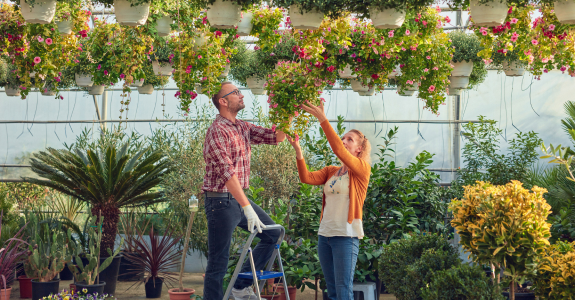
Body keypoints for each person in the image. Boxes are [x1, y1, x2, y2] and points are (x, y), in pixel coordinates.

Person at [202, 82, 286, 300]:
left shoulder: (242, 127)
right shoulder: (216, 131)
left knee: (273, 234)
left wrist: (288, 112)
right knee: (218, 263)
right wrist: (247, 208)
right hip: (220, 202)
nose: (241, 95)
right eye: (236, 93)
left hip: (238, 201)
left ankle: (240, 286)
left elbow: (276, 137)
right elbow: (226, 173)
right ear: (223, 101)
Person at [287, 101, 371, 300]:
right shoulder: (331, 171)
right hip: (325, 235)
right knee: (331, 291)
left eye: (349, 139)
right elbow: (306, 177)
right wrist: (299, 152)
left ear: (359, 149)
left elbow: (338, 151)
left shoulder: (361, 170)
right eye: (343, 138)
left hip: (346, 235)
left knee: (343, 292)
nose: (344, 141)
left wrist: (323, 119)